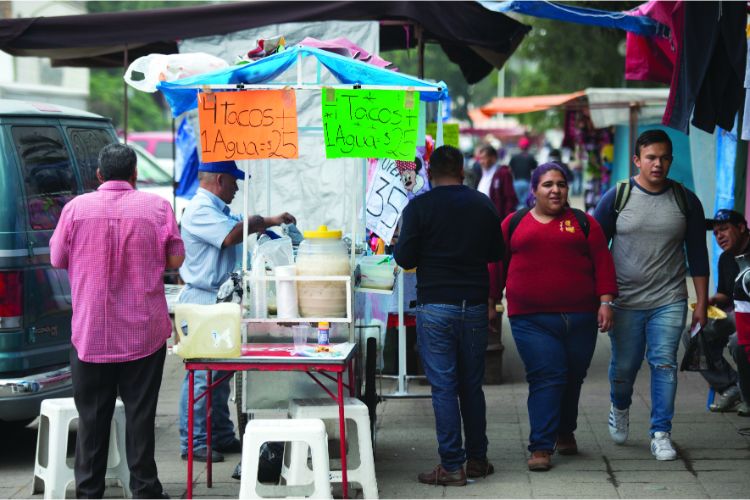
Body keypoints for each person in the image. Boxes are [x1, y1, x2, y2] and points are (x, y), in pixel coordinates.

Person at [50, 143, 184, 499]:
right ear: (135, 173)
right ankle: (145, 489)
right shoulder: (157, 208)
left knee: (92, 420)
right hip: (143, 333)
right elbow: (175, 260)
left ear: (98, 175)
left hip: (91, 334)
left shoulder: (75, 209)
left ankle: (89, 492)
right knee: (141, 416)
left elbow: (57, 258)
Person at [489, 163, 617, 471]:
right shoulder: (514, 223)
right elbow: (495, 265)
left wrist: (606, 302)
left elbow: (603, 262)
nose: (555, 190)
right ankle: (541, 446)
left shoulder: (584, 223)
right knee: (547, 375)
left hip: (581, 318)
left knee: (573, 376)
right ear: (534, 190)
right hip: (530, 320)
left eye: (561, 184)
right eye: (547, 184)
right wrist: (490, 303)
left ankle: (565, 430)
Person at [594, 129, 709, 461]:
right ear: (637, 160)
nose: (657, 164)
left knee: (664, 363)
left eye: (664, 158)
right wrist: (602, 299)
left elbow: (698, 255)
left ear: (671, 161)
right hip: (625, 301)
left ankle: (661, 433)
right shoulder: (617, 197)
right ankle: (619, 406)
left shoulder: (686, 200)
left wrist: (701, 303)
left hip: (669, 298)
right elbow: (596, 250)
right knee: (624, 368)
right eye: (651, 158)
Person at [394, 145, 503, 486]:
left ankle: (452, 465)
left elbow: (404, 258)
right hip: (474, 305)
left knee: (444, 387)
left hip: (436, 306)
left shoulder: (419, 207)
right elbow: (496, 251)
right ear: (461, 170)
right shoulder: (482, 204)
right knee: (471, 385)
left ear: (429, 172)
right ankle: (477, 460)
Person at [178, 160, 296, 463]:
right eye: (234, 181)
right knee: (202, 375)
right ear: (220, 180)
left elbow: (240, 223)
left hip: (221, 302)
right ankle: (194, 441)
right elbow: (231, 235)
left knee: (221, 373)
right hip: (203, 302)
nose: (237, 188)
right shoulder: (200, 210)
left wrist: (270, 222)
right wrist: (260, 221)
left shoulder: (218, 209)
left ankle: (220, 433)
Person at [694, 209, 750, 415]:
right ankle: (730, 386)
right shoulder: (726, 258)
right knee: (694, 333)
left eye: (724, 229)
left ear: (741, 227)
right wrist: (709, 301)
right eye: (716, 233)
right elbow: (725, 294)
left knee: (738, 341)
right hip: (736, 314)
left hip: (747, 317)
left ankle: (747, 395)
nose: (719, 236)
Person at [476, 144, 518, 221]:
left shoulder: (503, 173)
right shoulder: (483, 174)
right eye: (480, 159)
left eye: (484, 158)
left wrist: (507, 220)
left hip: (497, 219)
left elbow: (510, 198)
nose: (481, 162)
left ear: (493, 158)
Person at [509, 136, 537, 209]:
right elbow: (535, 169)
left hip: (515, 183)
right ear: (528, 147)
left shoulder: (514, 157)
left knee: (516, 204)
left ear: (519, 146)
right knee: (525, 205)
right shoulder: (531, 157)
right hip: (526, 182)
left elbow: (510, 170)